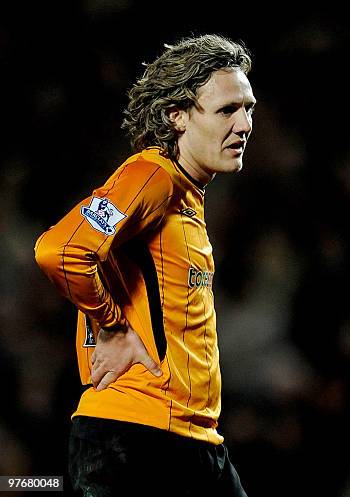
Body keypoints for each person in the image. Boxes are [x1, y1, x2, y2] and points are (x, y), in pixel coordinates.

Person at [34, 34, 256, 497]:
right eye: (226, 110)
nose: (244, 124)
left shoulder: (184, 195)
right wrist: (112, 327)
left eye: (248, 107)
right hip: (134, 439)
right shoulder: (151, 176)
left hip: (191, 441)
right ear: (176, 116)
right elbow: (60, 250)